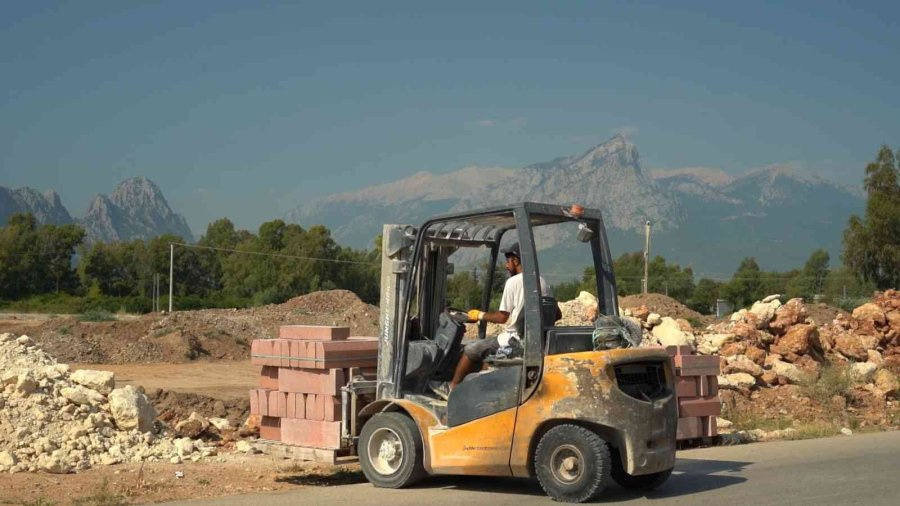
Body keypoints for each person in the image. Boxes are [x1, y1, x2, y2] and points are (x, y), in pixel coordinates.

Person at [431, 242, 555, 400]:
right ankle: (478, 389)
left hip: (513, 339)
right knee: (485, 351)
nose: (506, 266)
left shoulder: (514, 282)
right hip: (533, 341)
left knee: (471, 350)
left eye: (508, 261)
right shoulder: (543, 282)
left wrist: (479, 315)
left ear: (516, 261)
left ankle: (451, 388)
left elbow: (502, 317)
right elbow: (556, 313)